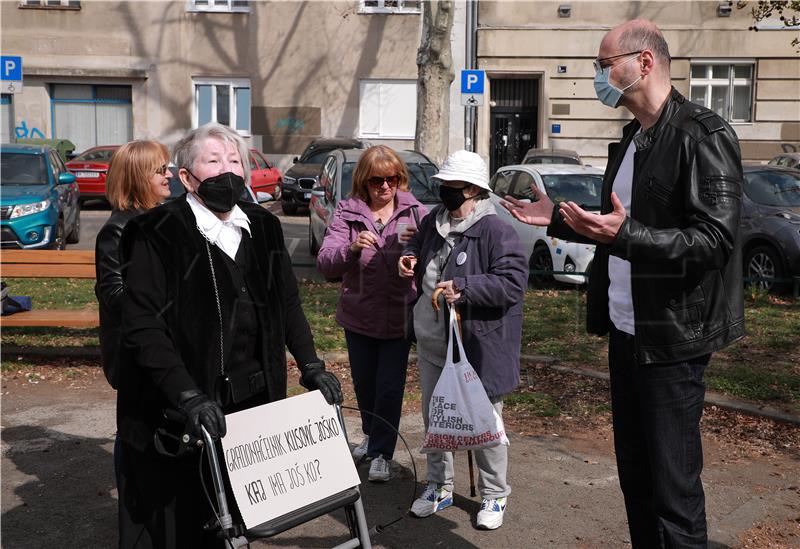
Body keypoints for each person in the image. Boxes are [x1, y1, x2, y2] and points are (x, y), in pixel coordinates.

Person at [503, 20, 744, 548]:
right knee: (636, 480)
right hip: (626, 333)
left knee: (673, 492)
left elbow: (715, 241)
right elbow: (619, 222)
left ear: (645, 62)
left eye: (604, 62)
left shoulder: (702, 134)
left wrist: (627, 234)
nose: (598, 74)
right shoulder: (632, 140)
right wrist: (560, 219)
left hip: (672, 341)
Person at [116, 123, 343, 549]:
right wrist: (186, 395)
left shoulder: (264, 226)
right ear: (186, 177)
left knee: (237, 517)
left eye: (235, 160)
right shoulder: (155, 232)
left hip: (253, 404)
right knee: (187, 524)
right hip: (183, 408)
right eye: (213, 160)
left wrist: (310, 364)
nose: (227, 170)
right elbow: (143, 326)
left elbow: (287, 306)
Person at [399, 150, 527, 530]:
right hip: (432, 341)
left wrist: (466, 288)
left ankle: (494, 493)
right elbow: (417, 251)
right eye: (442, 184)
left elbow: (512, 283)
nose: (444, 190)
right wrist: (408, 258)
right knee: (436, 418)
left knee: (485, 422)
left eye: (451, 186)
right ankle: (439, 487)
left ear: (472, 189)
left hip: (477, 347)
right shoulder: (432, 221)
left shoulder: (496, 229)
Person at [316, 145, 427, 482]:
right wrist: (350, 249)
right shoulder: (347, 213)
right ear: (364, 181)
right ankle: (371, 434)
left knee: (389, 387)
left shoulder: (417, 213)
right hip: (359, 314)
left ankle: (382, 452)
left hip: (398, 316)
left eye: (392, 179)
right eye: (377, 180)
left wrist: (417, 251)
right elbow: (325, 263)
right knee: (364, 385)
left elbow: (436, 260)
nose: (385, 187)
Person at [95, 139, 173, 492]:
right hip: (136, 351)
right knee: (134, 431)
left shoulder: (160, 220)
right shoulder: (117, 230)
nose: (168, 175)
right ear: (140, 176)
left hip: (164, 341)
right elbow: (114, 295)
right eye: (161, 170)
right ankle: (134, 503)